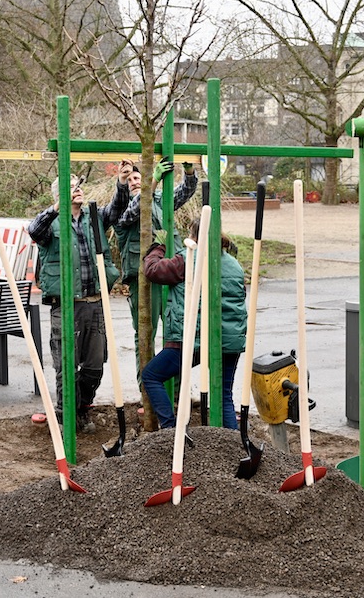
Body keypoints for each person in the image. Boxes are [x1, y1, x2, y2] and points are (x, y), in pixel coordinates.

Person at [28, 160, 133, 432]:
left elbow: (118, 209)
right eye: (71, 187)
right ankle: (66, 418)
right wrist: (56, 208)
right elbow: (34, 231)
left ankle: (82, 407)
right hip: (66, 306)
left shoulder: (93, 217)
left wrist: (121, 183)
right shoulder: (51, 222)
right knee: (66, 366)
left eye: (78, 186)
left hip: (95, 303)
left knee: (95, 366)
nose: (77, 191)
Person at [139, 219, 247, 430]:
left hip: (194, 339)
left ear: (194, 236)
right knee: (223, 394)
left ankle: (171, 430)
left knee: (151, 375)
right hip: (229, 341)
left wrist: (157, 248)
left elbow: (153, 270)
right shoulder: (234, 264)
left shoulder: (189, 258)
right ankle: (235, 446)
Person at [113, 158, 197, 376]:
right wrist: (153, 181)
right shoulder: (122, 209)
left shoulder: (160, 200)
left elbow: (184, 192)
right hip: (144, 281)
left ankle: (175, 392)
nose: (133, 181)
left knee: (176, 334)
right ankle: (147, 393)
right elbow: (138, 208)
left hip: (170, 277)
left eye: (137, 177)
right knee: (145, 334)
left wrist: (189, 173)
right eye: (129, 179)